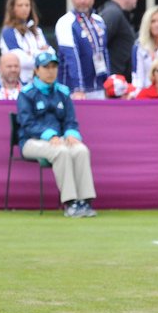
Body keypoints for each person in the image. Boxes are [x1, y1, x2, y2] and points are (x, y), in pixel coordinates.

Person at [16, 50, 98, 217]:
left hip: (59, 140)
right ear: (37, 70)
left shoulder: (63, 92)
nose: (50, 71)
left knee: (80, 150)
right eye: (46, 67)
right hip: (31, 142)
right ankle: (70, 203)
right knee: (61, 152)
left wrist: (71, 134)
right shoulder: (26, 93)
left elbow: (70, 120)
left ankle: (85, 201)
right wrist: (48, 135)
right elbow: (27, 123)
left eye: (53, 67)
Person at [55, 0, 110, 100]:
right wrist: (78, 88)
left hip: (98, 87)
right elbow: (71, 56)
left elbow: (104, 52)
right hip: (74, 90)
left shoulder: (98, 20)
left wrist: (107, 83)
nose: (82, 1)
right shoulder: (66, 22)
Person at [0, 0, 49, 84]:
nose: (24, 8)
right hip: (19, 83)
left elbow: (51, 55)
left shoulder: (37, 31)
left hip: (39, 83)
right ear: (12, 8)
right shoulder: (8, 32)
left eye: (27, 5)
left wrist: (31, 53)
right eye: (20, 5)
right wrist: (40, 53)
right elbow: (21, 60)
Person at [97, 0, 139, 78]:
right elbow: (98, 44)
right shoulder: (112, 13)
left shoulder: (118, 14)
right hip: (113, 83)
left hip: (119, 81)